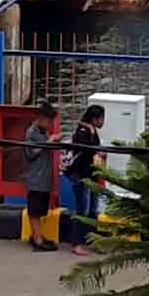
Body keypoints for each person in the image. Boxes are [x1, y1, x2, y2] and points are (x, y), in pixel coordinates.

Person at [63, 104, 106, 256]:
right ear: (95, 119)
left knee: (93, 211)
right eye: (101, 118)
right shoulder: (83, 132)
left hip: (92, 176)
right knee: (83, 211)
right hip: (81, 176)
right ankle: (76, 243)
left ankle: (93, 240)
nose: (103, 121)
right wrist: (93, 134)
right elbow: (89, 150)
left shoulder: (91, 131)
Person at [23, 100, 60, 252]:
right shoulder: (31, 133)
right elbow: (31, 153)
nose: (51, 124)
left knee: (40, 209)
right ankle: (37, 239)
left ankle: (38, 235)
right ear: (42, 118)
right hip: (36, 178)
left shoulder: (43, 133)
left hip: (43, 177)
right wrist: (49, 142)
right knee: (35, 210)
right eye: (50, 121)